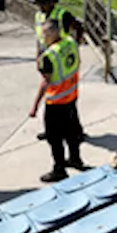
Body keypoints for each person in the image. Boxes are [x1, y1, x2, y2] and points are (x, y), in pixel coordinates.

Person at [30, 19, 87, 181]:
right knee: (72, 131)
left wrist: (35, 106)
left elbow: (45, 82)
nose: (42, 37)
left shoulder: (49, 56)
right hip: (72, 95)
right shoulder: (70, 42)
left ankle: (59, 169)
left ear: (51, 34)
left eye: (44, 34)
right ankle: (75, 159)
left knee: (54, 138)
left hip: (56, 101)